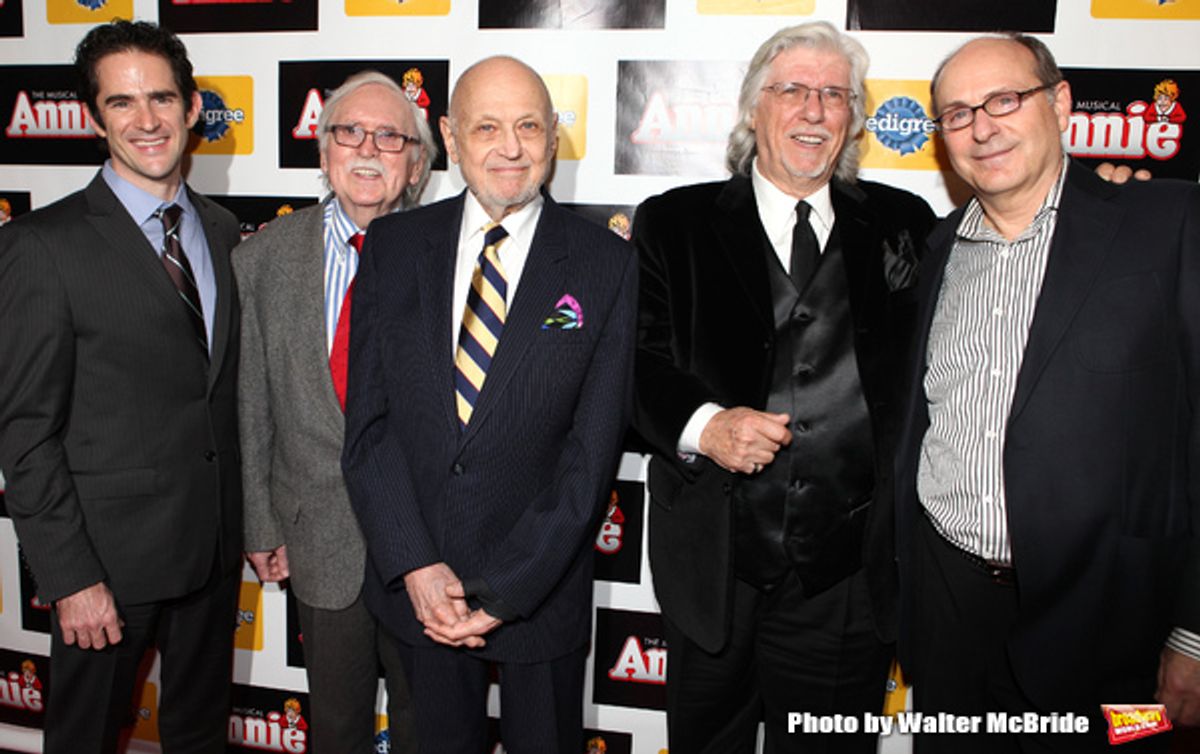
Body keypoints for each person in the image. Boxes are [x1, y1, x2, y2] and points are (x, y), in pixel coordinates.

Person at [631, 21, 937, 753]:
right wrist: (705, 426)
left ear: (855, 119)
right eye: (793, 89)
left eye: (836, 94)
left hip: (845, 581)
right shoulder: (674, 222)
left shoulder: (905, 223)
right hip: (714, 571)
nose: (814, 109)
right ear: (752, 108)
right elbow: (633, 365)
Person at [894, 33, 1200, 752]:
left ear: (1059, 102)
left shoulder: (1169, 224)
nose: (982, 127)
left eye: (1004, 99)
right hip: (948, 614)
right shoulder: (934, 252)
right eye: (958, 113)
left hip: (1111, 625)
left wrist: (1192, 632)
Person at [340, 55, 637, 752]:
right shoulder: (393, 245)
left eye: (529, 125)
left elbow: (591, 457)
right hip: (424, 595)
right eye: (487, 127)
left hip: (541, 592)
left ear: (553, 138)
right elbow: (370, 430)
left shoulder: (605, 263)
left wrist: (504, 590)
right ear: (448, 136)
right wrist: (415, 565)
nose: (511, 147)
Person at [0, 20, 242, 753]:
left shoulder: (225, 231)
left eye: (162, 98)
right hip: (106, 563)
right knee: (87, 737)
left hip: (213, 548)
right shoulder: (43, 245)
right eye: (123, 102)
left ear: (192, 107)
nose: (147, 120)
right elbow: (25, 429)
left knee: (196, 735)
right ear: (94, 117)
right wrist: (70, 576)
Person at [235, 70, 434, 754]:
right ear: (324, 154)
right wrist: (260, 520)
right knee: (337, 729)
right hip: (318, 538)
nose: (367, 149)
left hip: (429, 546)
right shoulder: (262, 259)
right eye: (348, 133)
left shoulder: (453, 256)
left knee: (427, 723)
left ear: (416, 164)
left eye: (390, 136)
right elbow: (251, 400)